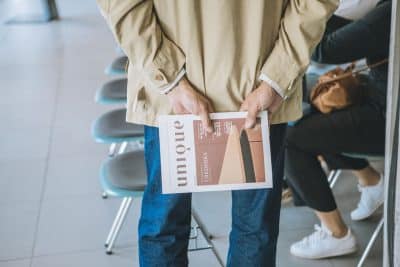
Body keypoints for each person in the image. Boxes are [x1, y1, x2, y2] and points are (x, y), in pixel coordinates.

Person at [96, 0, 339, 266]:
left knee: (164, 228)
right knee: (254, 230)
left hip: (180, 99)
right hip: (257, 92)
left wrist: (170, 79)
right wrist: (277, 78)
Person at [284, 0, 391, 259]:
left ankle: (336, 234)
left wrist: (313, 8)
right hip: (380, 95)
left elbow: (323, 50)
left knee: (290, 138)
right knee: (303, 101)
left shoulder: (391, 12)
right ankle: (371, 180)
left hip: (387, 117)